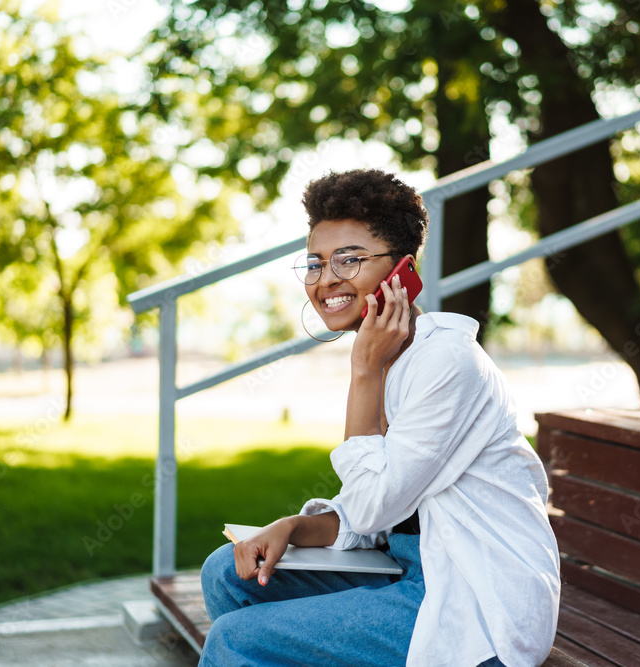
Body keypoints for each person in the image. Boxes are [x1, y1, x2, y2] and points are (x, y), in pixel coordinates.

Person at [200, 169, 560, 667]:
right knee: (229, 572)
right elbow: (374, 511)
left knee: (236, 641)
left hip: (474, 599)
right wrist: (290, 526)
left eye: (349, 260)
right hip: (409, 565)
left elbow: (372, 507)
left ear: (402, 272)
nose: (326, 280)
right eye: (315, 262)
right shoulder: (392, 354)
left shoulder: (443, 363)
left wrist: (364, 372)